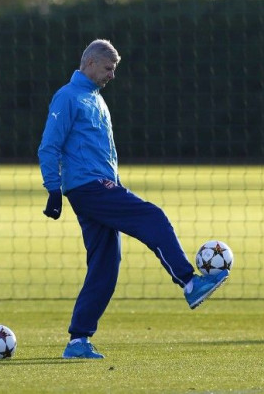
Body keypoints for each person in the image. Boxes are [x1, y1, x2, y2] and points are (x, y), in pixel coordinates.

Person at [37, 39, 229, 359]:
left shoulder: (95, 99)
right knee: (152, 217)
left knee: (105, 266)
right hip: (88, 188)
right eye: (109, 69)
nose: (112, 75)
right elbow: (49, 146)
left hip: (99, 185)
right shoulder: (68, 97)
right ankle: (189, 282)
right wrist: (53, 189)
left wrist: (117, 184)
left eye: (115, 70)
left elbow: (104, 155)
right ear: (90, 64)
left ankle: (78, 341)